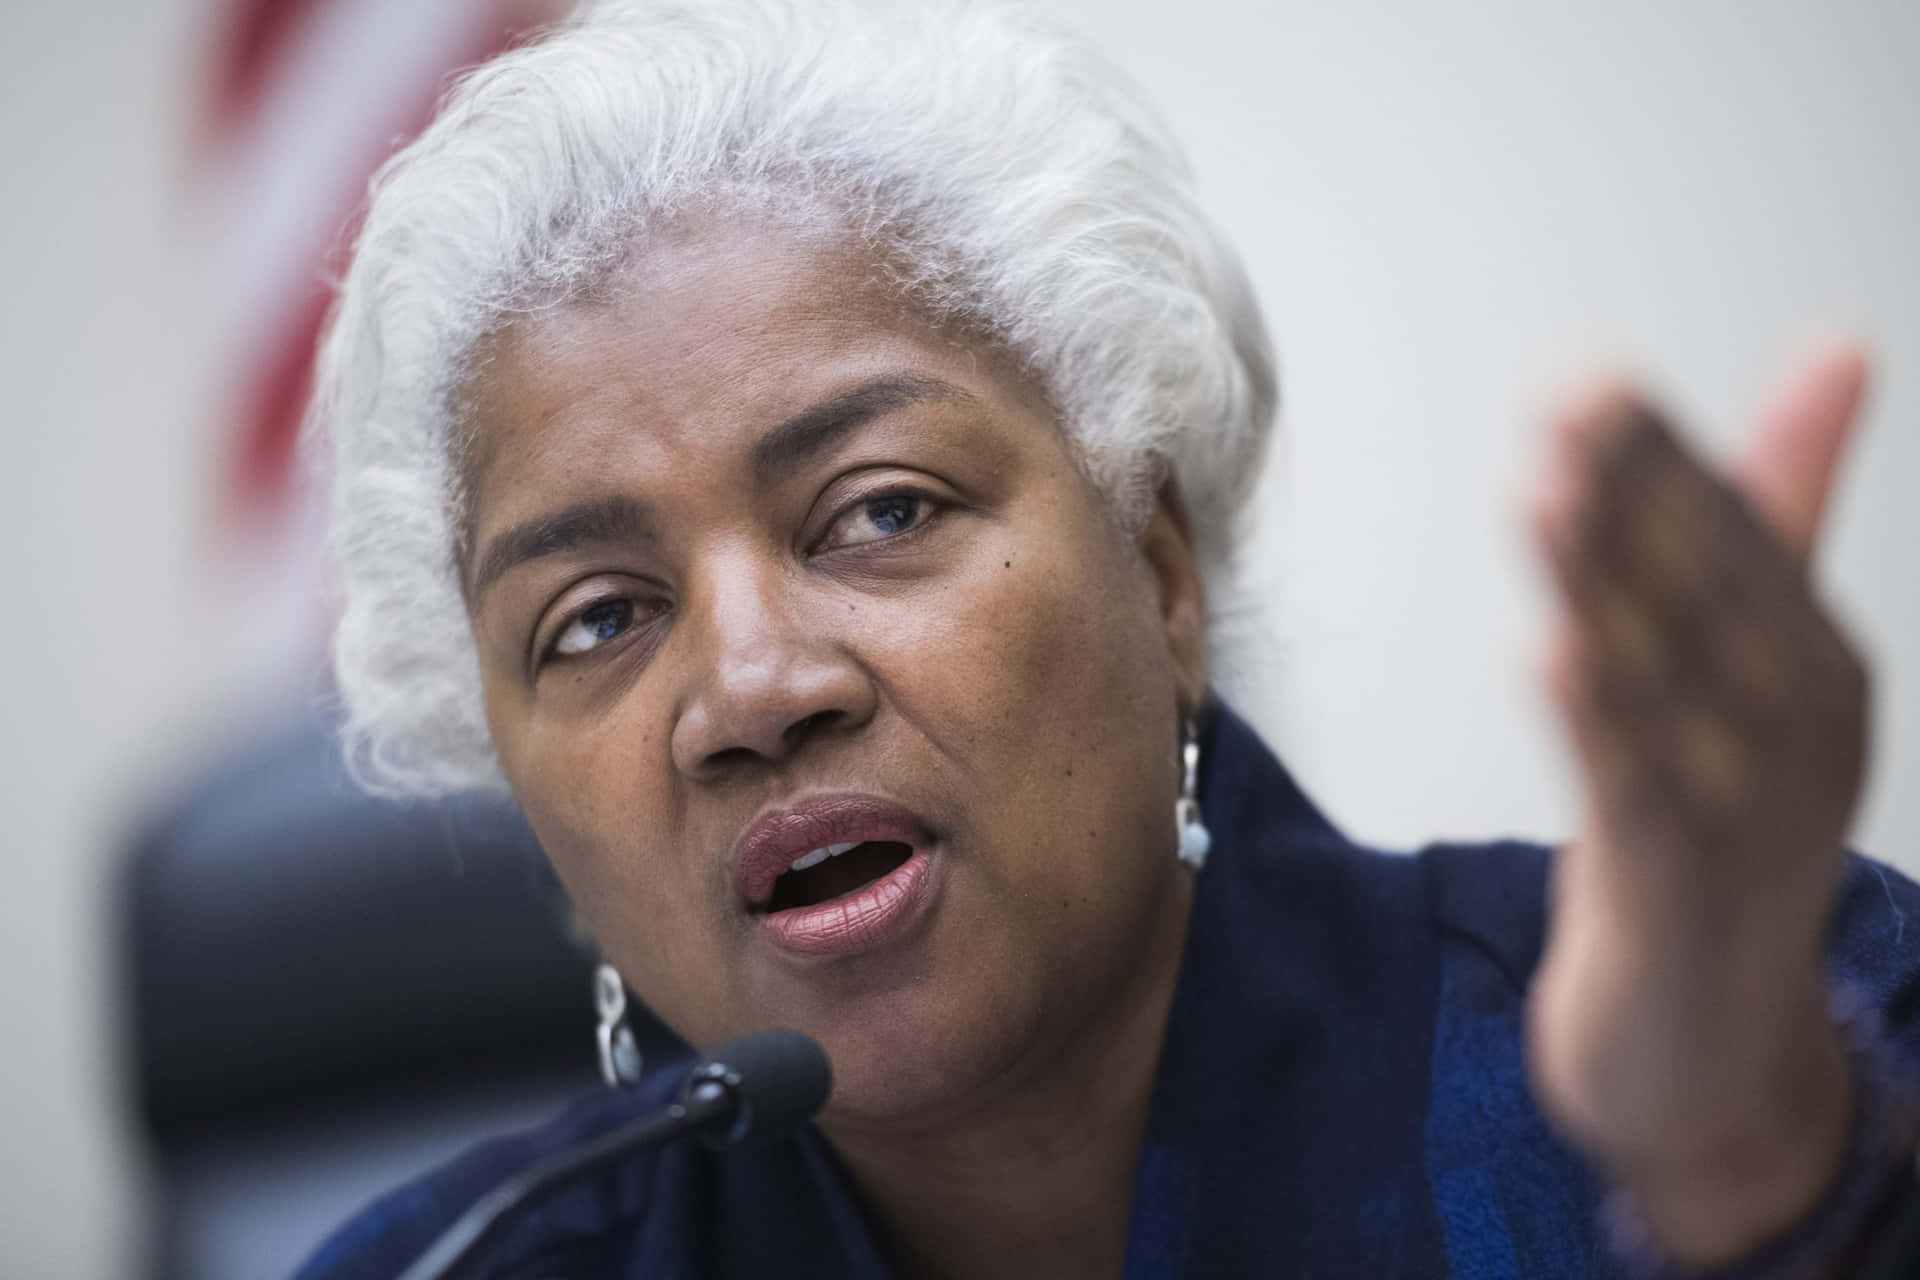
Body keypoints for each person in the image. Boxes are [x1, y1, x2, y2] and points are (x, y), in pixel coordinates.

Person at [294, 1, 1920, 1275]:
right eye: (594, 619)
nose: (753, 691)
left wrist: (1744, 1162)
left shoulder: (1794, 1024)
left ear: (1160, 569)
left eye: (880, 510)